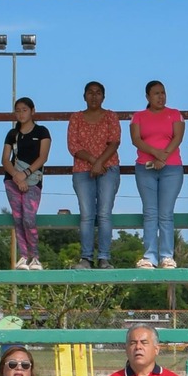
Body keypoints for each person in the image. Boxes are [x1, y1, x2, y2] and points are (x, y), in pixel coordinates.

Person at [129, 80, 185, 269]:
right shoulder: (138, 117)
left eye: (163, 93)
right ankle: (150, 256)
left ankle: (167, 256)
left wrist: (164, 156)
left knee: (166, 213)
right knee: (150, 212)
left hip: (172, 169)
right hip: (145, 168)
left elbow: (178, 137)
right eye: (156, 94)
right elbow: (136, 139)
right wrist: (156, 153)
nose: (161, 97)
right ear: (147, 97)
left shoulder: (175, 114)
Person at [67, 81, 122, 269]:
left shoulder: (111, 116)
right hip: (83, 169)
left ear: (104, 97)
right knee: (86, 215)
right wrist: (93, 161)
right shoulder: (76, 118)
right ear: (84, 96)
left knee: (105, 214)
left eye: (98, 93)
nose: (94, 96)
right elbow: (73, 145)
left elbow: (114, 142)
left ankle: (104, 258)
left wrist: (100, 162)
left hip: (109, 168)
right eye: (90, 93)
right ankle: (86, 258)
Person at [0, 98, 51, 269]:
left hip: (33, 179)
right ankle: (23, 256)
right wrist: (16, 176)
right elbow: (5, 159)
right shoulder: (12, 134)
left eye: (24, 110)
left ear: (32, 111)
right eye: (18, 110)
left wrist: (25, 174)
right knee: (18, 218)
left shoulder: (42, 131)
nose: (21, 113)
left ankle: (34, 256)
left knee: (29, 218)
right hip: (12, 180)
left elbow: (43, 157)